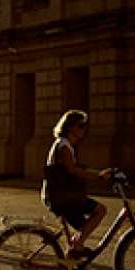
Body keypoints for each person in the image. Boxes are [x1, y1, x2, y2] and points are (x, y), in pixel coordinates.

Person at [42, 110, 113, 261]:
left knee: (83, 226)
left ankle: (73, 252)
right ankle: (77, 246)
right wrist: (99, 176)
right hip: (61, 196)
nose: (84, 129)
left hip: (61, 194)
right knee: (100, 210)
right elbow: (72, 170)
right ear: (70, 127)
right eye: (81, 125)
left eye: (84, 126)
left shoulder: (64, 144)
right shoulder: (64, 146)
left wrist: (97, 173)